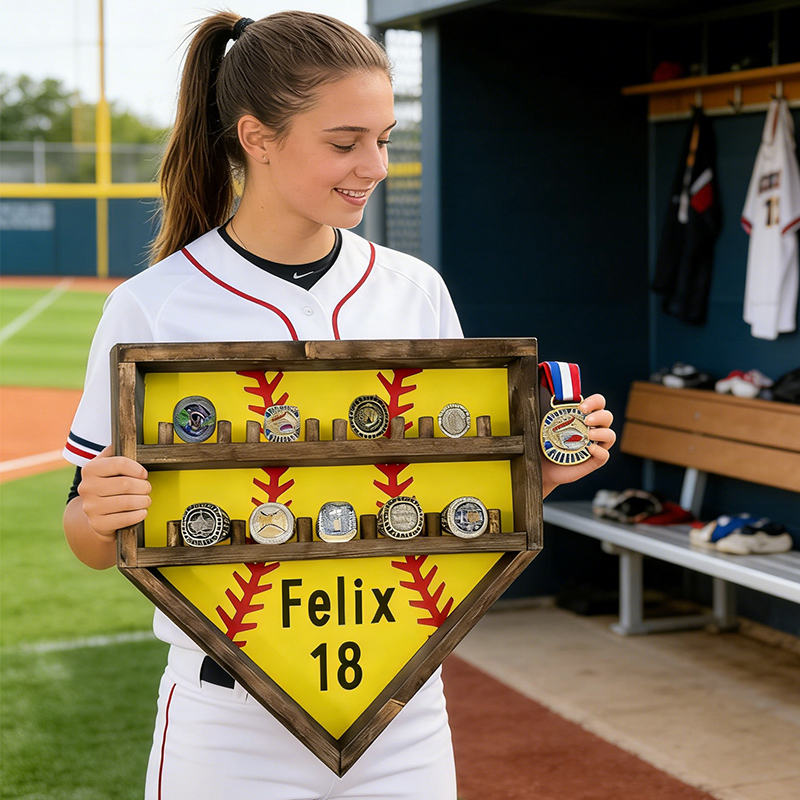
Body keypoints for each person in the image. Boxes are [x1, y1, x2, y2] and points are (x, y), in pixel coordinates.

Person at [62, 11, 616, 800]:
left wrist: (543, 476)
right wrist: (102, 508)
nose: (375, 164)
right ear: (257, 136)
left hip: (405, 710)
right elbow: (87, 536)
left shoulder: (414, 289)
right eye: (345, 141)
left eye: (386, 138)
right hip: (228, 723)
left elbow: (454, 504)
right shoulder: (154, 305)